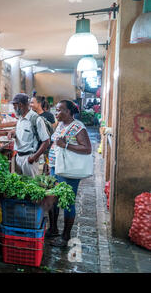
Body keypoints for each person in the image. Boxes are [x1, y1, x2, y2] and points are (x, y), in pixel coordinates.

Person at [46, 100, 92, 247]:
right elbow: (55, 145)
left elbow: (87, 148)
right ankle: (53, 229)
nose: (56, 113)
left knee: (67, 202)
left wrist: (66, 145)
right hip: (55, 167)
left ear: (69, 112)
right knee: (52, 198)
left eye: (59, 110)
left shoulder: (78, 127)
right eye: (56, 110)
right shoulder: (61, 124)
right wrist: (50, 164)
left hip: (68, 171)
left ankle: (65, 237)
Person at [7, 93, 50, 177]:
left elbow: (46, 141)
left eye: (14, 106)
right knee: (20, 185)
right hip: (18, 157)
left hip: (29, 158)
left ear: (20, 105)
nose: (14, 108)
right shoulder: (20, 118)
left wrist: (33, 157)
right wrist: (14, 133)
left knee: (32, 185)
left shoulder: (36, 119)